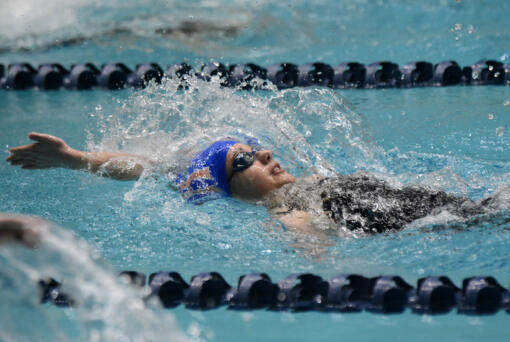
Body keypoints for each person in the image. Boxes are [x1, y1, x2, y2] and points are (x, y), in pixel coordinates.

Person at [6, 132, 497, 234]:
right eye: (246, 161)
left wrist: (79, 159)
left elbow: (152, 169)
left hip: (473, 209)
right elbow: (304, 234)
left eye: (256, 149)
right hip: (477, 220)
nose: (265, 154)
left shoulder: (304, 187)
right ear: (234, 190)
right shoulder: (287, 206)